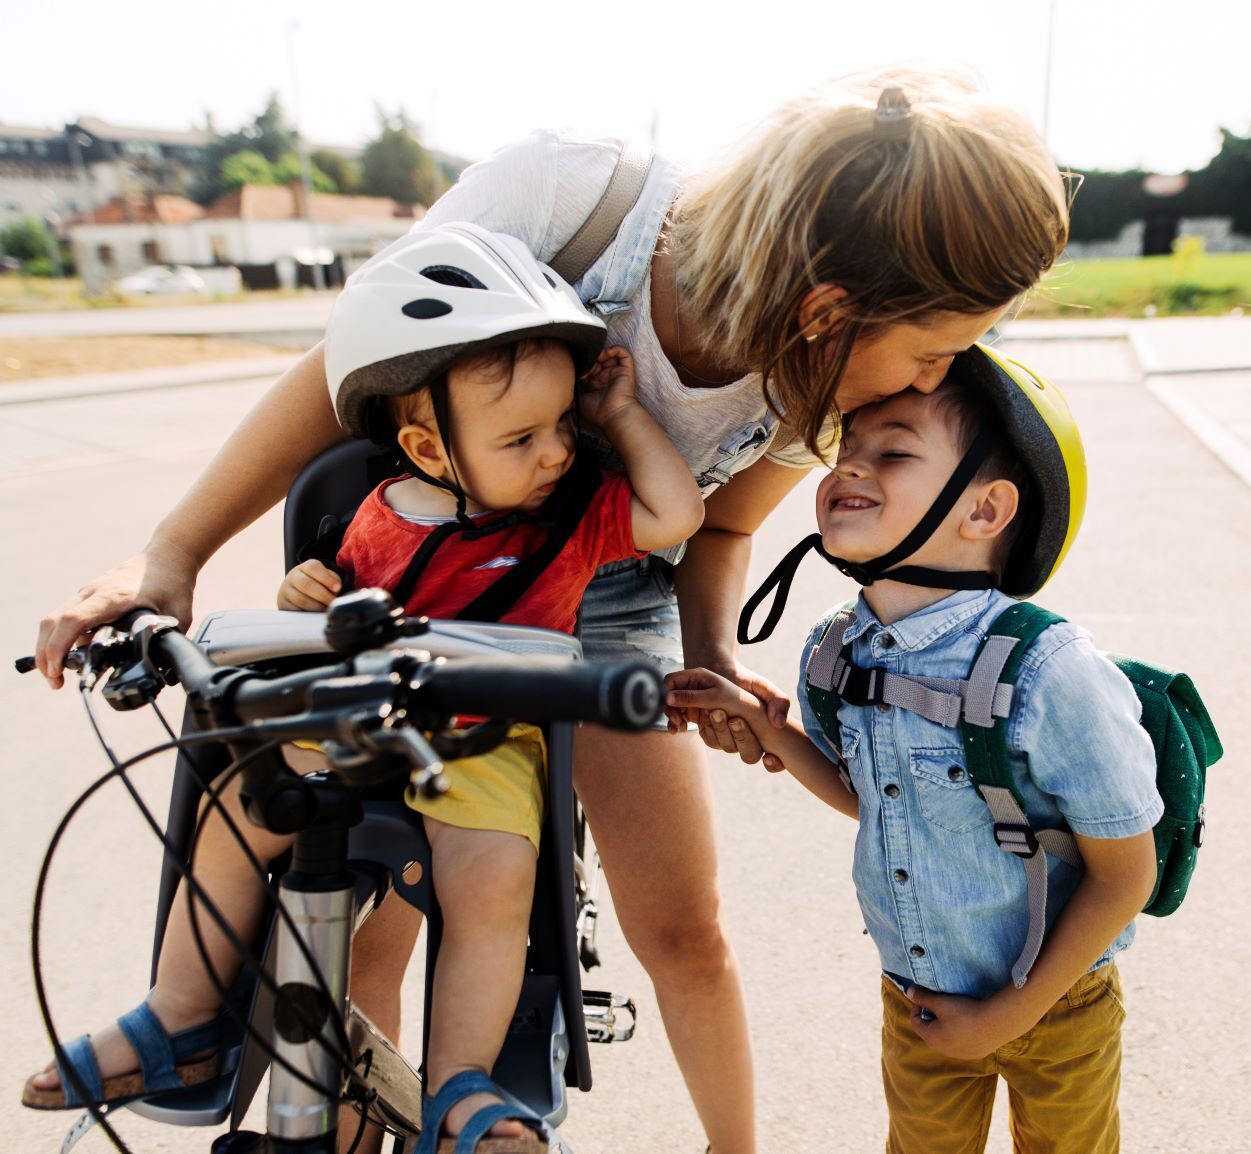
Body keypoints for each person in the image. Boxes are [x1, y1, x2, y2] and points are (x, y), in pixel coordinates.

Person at [32, 66, 1071, 1153]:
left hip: (614, 583)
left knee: (682, 920)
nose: (933, 380)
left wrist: (711, 654)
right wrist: (174, 550)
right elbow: (341, 370)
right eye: (934, 349)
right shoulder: (576, 203)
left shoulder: (805, 386)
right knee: (363, 917)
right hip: (422, 564)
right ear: (828, 307)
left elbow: (717, 529)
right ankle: (338, 1118)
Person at [23, 224, 705, 1154]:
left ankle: (463, 1083)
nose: (554, 452)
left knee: (493, 878)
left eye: (560, 428)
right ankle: (180, 1014)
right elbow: (335, 615)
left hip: (489, 743)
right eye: (521, 436)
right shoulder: (376, 520)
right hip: (361, 726)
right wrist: (305, 594)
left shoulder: (577, 516)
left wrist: (618, 420)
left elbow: (678, 512)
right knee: (239, 804)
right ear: (426, 445)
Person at [664, 347, 1163, 1154]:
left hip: (1057, 1005)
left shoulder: (1050, 672)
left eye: (891, 451)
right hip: (918, 998)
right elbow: (872, 796)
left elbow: (1123, 874)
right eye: (846, 448)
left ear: (984, 512)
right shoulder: (837, 648)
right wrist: (768, 730)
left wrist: (1007, 1015)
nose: (846, 467)